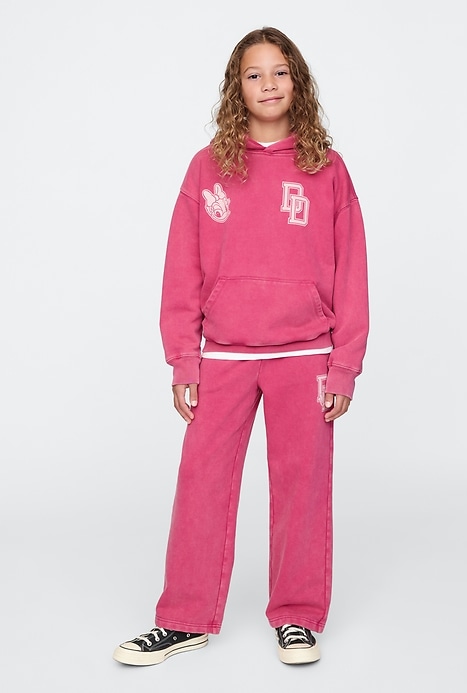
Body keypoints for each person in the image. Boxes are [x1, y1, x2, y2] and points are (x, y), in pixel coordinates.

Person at [113, 25, 369, 667]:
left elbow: (353, 272)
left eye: (280, 72)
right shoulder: (208, 168)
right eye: (254, 74)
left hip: (305, 355)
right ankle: (184, 619)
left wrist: (344, 364)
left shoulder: (327, 169)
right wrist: (184, 356)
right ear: (237, 87)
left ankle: (298, 617)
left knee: (302, 488)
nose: (268, 84)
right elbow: (182, 268)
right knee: (201, 482)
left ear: (297, 82)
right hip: (223, 354)